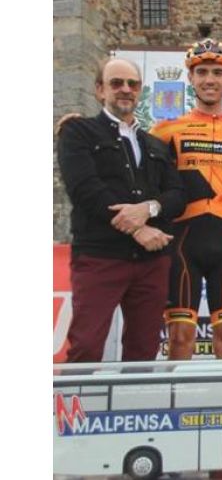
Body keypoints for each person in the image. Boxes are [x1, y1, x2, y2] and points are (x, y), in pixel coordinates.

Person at [57, 57, 186, 362]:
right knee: (86, 346)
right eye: (116, 83)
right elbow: (85, 189)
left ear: (140, 90)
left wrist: (149, 209)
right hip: (100, 256)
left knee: (143, 351)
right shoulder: (77, 132)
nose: (125, 89)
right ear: (100, 90)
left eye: (132, 84)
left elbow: (177, 195)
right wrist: (138, 228)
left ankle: (137, 398)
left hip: (152, 260)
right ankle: (80, 398)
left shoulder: (155, 144)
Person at [150, 39, 222, 360]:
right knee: (179, 337)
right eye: (202, 72)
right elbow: (145, 181)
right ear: (191, 78)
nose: (209, 79)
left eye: (217, 72)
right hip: (181, 242)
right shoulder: (165, 130)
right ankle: (174, 394)